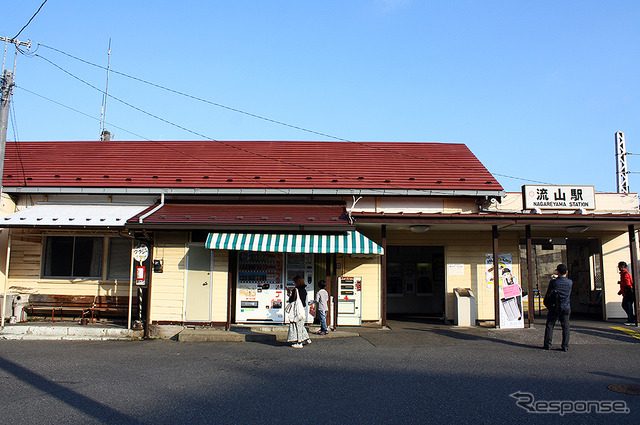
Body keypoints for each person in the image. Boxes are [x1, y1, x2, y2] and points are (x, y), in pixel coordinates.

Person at [543, 264, 573, 352]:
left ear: (558, 272)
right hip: (566, 306)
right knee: (565, 326)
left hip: (554, 307)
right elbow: (563, 280)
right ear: (566, 272)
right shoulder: (570, 282)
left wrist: (554, 278)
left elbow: (549, 292)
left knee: (550, 325)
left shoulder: (553, 282)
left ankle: (548, 344)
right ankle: (565, 345)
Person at [287, 275, 311, 348]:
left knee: (298, 326)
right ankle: (307, 339)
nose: (293, 283)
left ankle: (299, 343)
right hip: (302, 309)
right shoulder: (304, 290)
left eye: (294, 282)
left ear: (297, 282)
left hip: (297, 310)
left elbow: (292, 300)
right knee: (301, 325)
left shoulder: (296, 290)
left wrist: (289, 296)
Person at [617, 261, 636, 326]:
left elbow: (627, 283)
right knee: (626, 305)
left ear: (622, 267)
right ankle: (632, 318)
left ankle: (632, 319)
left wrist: (620, 282)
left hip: (628, 292)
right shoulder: (623, 273)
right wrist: (620, 291)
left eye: (619, 266)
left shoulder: (625, 274)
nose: (618, 267)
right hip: (626, 292)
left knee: (627, 305)